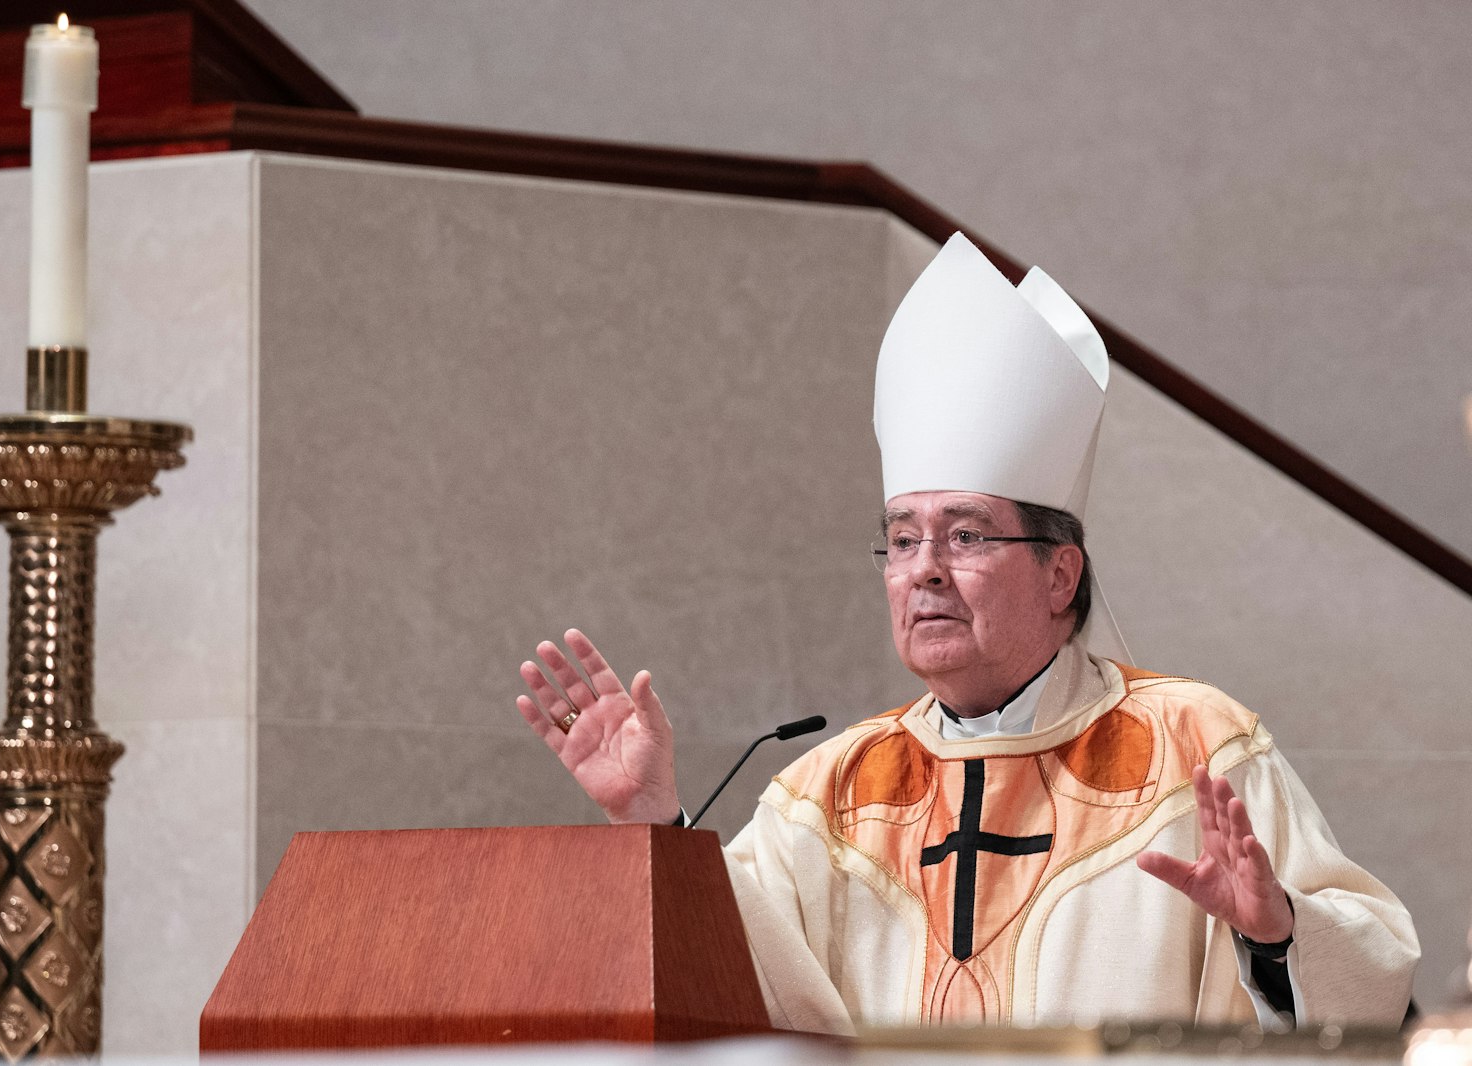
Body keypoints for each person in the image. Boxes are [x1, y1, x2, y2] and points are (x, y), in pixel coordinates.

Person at [515, 233, 1418, 1033]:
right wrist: (656, 825)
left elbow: (1376, 981)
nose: (924, 568)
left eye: (967, 534)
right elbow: (736, 988)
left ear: (1060, 573)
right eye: (902, 538)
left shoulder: (1193, 744)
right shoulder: (831, 790)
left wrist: (1276, 933)